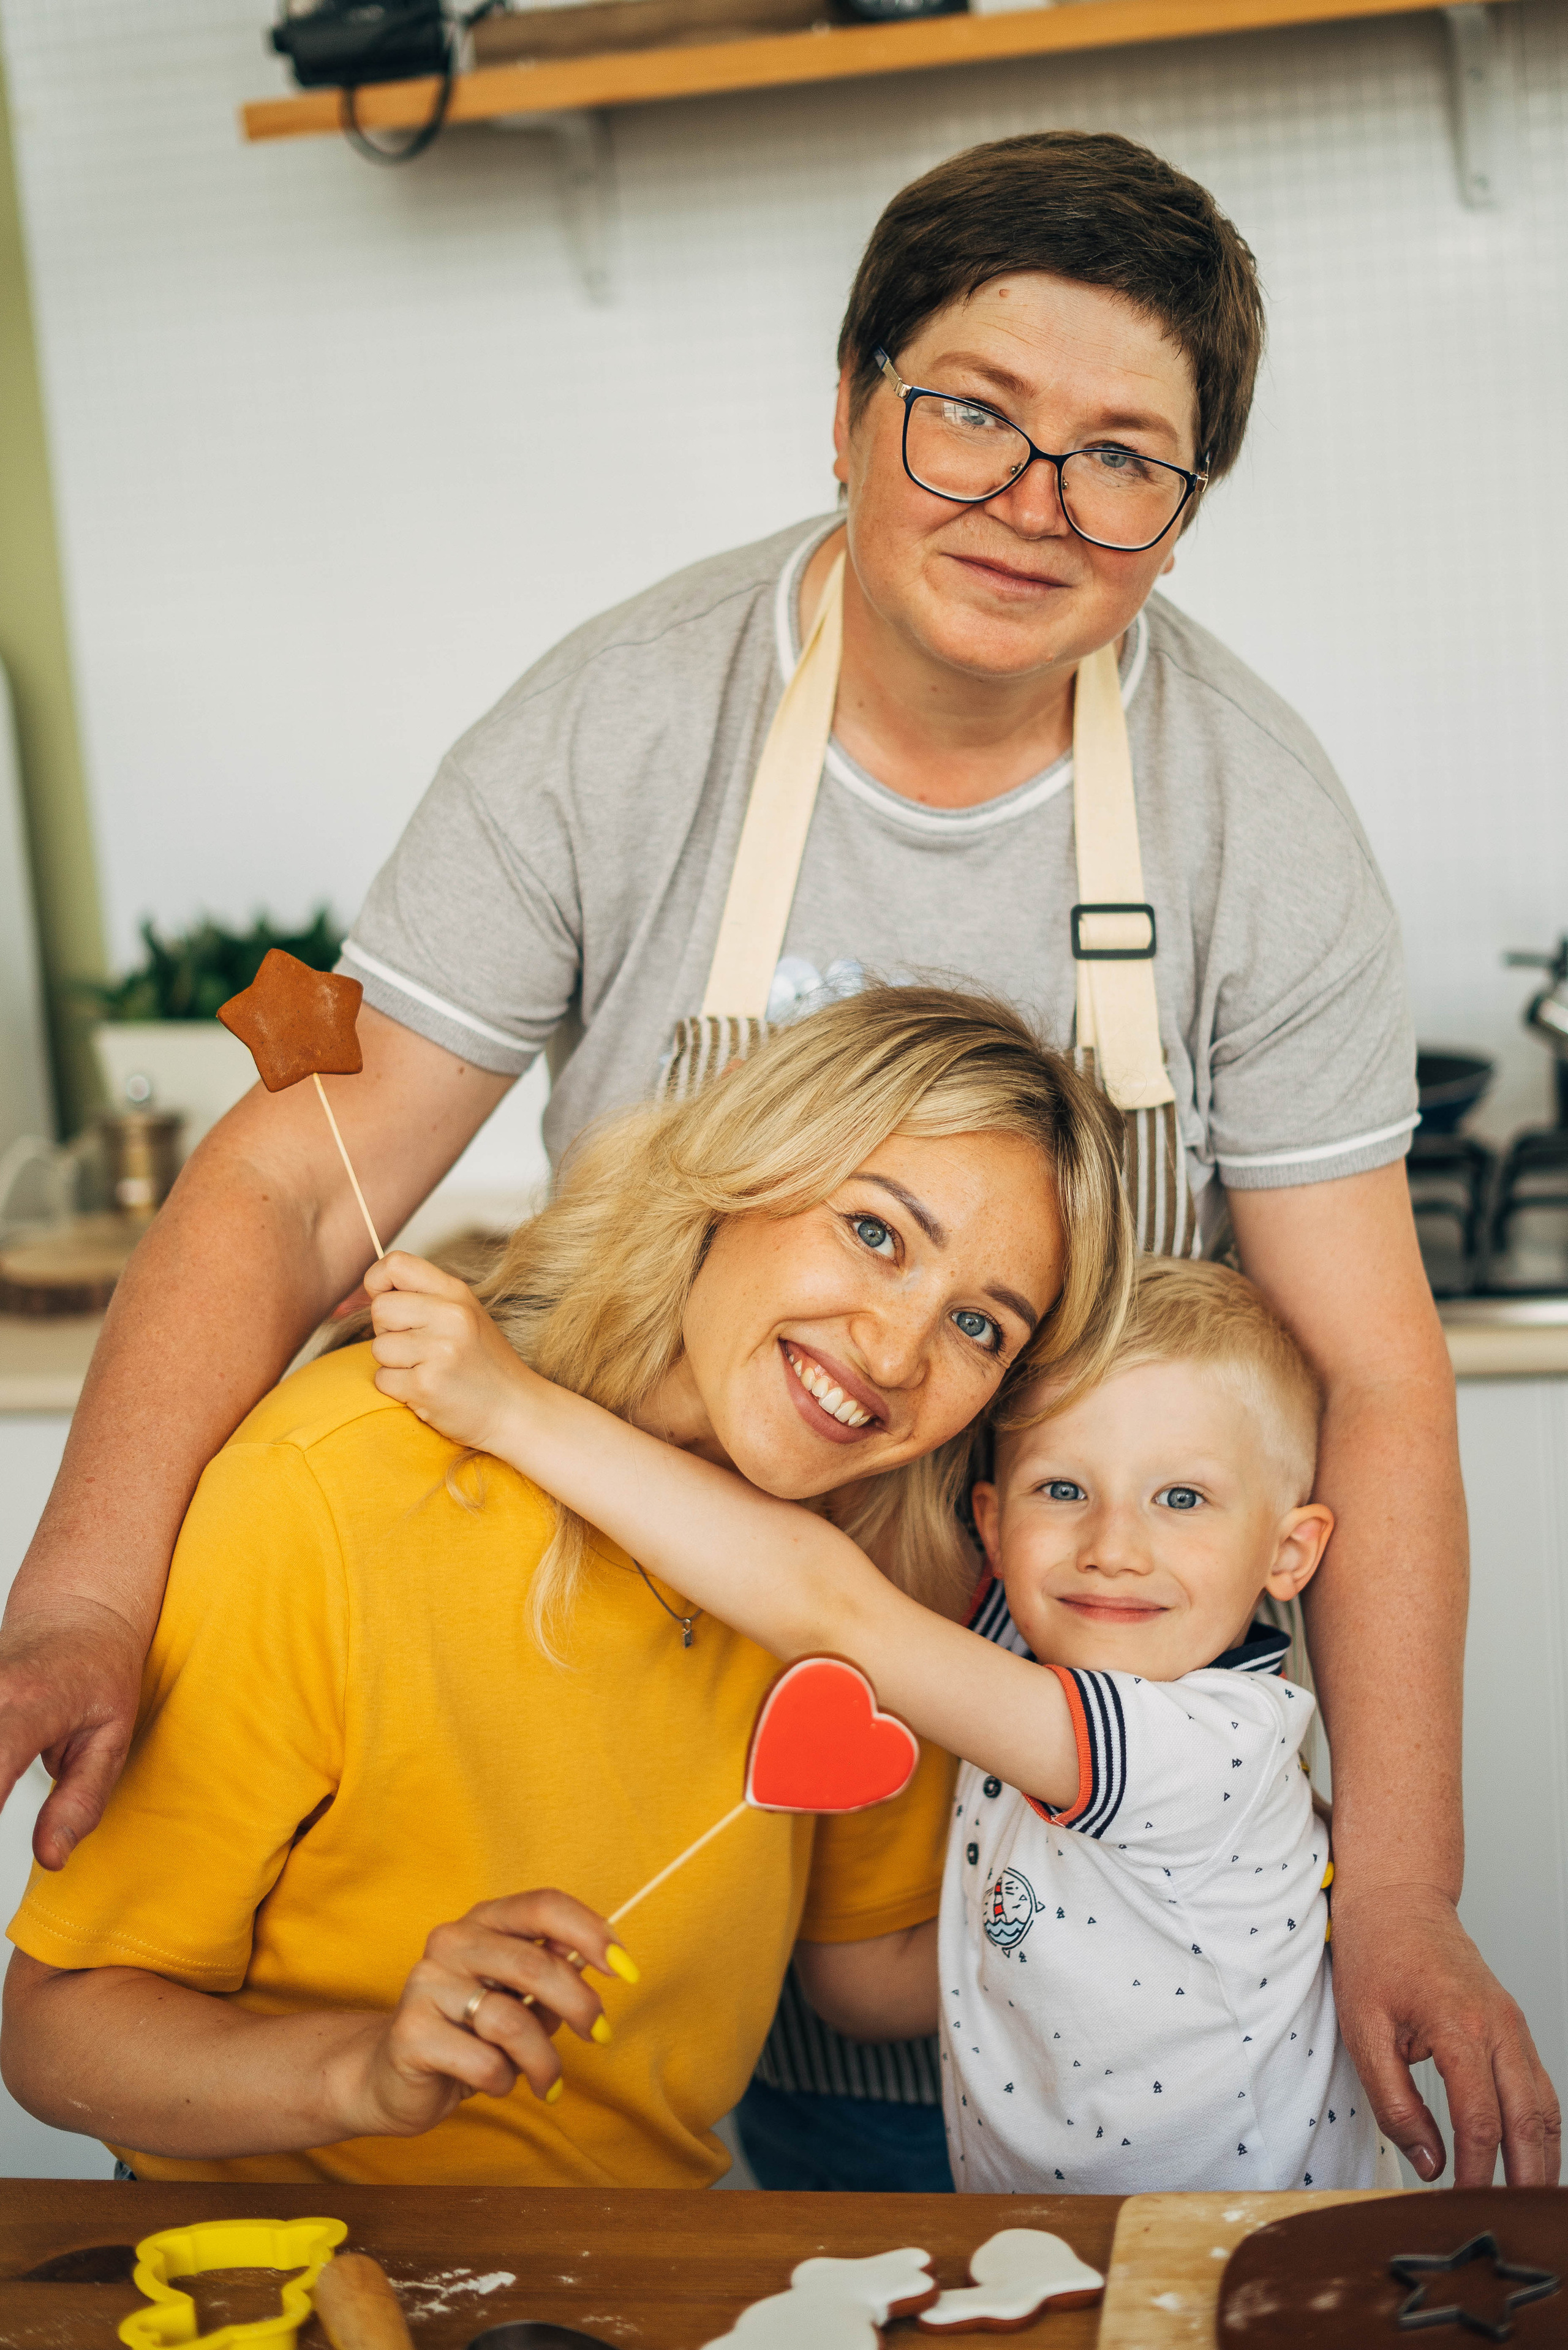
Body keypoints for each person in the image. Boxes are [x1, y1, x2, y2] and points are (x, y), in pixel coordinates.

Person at [1, 130, 1556, 2190]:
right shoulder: (624, 725)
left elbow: (1369, 1371)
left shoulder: (1252, 820)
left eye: (1123, 457)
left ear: (1181, 521)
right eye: (972, 417)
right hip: (656, 1792)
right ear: (848, 408)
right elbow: (295, 1178)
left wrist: (1395, 1889)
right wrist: (93, 1590)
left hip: (1053, 1857)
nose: (1033, 502)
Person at [0, 993, 1127, 2185]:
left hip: (628, 2277)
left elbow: (864, 1975)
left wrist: (1174, 1880)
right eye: (874, 1234)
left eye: (975, 1326)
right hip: (277, 2271)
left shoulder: (884, 1584)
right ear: (738, 1175)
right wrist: (364, 2069)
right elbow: (55, 2030)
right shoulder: (331, 1486)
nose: (897, 1355)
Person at [347, 1245, 1403, 2193]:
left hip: (1250, 2264)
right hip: (1064, 2251)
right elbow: (883, 1989)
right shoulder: (1028, 1638)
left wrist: (509, 1405)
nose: (1112, 1546)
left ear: (1289, 1555)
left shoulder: (1201, 1745)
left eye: (1183, 1500)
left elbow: (828, 1604)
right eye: (1063, 1489)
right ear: (992, 1523)